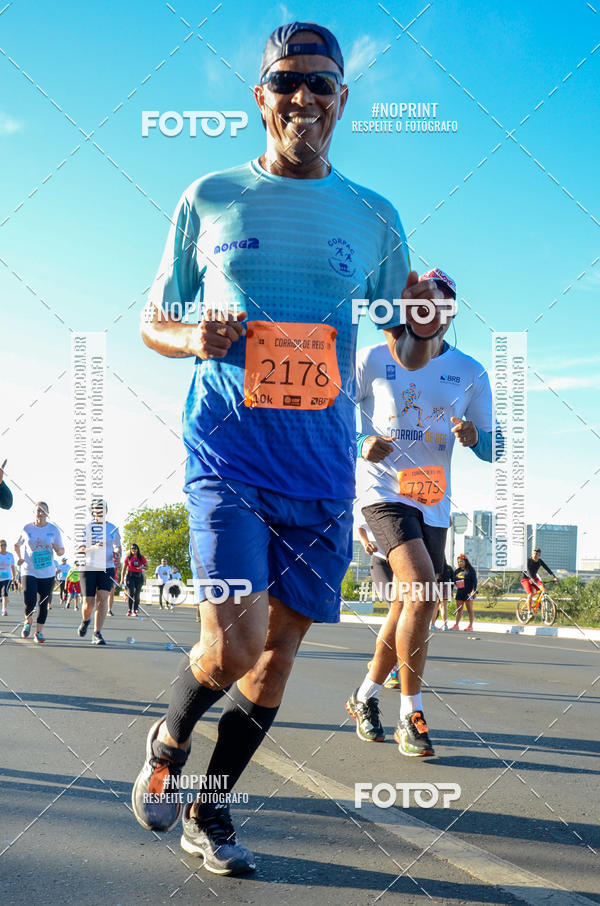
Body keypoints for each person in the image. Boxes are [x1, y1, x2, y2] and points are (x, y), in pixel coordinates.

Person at [130, 19, 441, 876]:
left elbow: (402, 347)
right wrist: (194, 338)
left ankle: (210, 813)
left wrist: (417, 331)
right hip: (226, 456)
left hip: (318, 465)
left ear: (343, 101)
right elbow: (153, 320)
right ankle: (170, 736)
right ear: (260, 96)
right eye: (286, 82)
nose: (303, 97)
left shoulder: (375, 216)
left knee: (275, 665)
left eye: (322, 85)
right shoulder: (211, 195)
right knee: (231, 646)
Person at [346, 268, 498, 756]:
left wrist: (475, 438)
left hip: (432, 501)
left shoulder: (471, 371)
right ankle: (410, 713)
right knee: (422, 590)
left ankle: (364, 695)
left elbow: (494, 449)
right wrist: (362, 441)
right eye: (424, 303)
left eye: (445, 306)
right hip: (382, 493)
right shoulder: (371, 357)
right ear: (410, 307)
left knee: (411, 606)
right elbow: (329, 416)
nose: (434, 312)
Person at [15, 501, 64, 643]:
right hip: (29, 570)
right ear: (34, 512)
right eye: (38, 510)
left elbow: (61, 551)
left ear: (48, 513)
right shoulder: (27, 528)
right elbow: (17, 544)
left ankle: (39, 632)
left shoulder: (53, 530)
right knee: (29, 600)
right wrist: (19, 558)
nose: (41, 513)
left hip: (47, 572)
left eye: (44, 511)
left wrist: (56, 549)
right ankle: (28, 620)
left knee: (43, 604)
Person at [357, 522, 399, 689]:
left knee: (404, 613)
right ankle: (391, 669)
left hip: (403, 562)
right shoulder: (385, 500)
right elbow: (361, 526)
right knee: (396, 609)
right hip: (381, 561)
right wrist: (365, 542)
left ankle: (378, 660)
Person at [77, 499, 121, 646]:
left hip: (107, 567)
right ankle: (85, 620)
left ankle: (97, 633)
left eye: (103, 509)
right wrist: (93, 548)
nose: (100, 512)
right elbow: (81, 549)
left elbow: (117, 547)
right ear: (93, 512)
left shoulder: (113, 528)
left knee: (102, 601)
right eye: (97, 509)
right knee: (88, 604)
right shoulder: (87, 527)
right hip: (89, 567)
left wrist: (117, 552)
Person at [521, 547, 558, 617]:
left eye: (536, 554)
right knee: (530, 594)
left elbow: (547, 569)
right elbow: (527, 570)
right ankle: (529, 612)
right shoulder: (528, 560)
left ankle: (539, 604)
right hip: (526, 579)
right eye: (534, 554)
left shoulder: (540, 561)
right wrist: (530, 578)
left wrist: (554, 577)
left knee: (543, 590)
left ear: (539, 555)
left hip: (534, 578)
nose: (534, 555)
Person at [450, 554, 478, 630]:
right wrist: (454, 587)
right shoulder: (457, 571)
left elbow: (474, 581)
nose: (460, 563)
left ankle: (470, 626)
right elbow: (453, 580)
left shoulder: (471, 570)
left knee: (469, 610)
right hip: (460, 592)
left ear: (465, 561)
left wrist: (474, 590)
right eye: (458, 562)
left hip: (468, 592)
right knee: (459, 609)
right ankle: (456, 625)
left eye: (461, 561)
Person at [121, 543, 147, 616]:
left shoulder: (141, 557)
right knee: (131, 592)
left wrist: (142, 567)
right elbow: (124, 569)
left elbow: (146, 566)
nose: (133, 550)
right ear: (130, 549)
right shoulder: (128, 557)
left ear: (137, 549)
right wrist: (122, 579)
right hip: (130, 576)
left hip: (139, 576)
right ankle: (129, 609)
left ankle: (135, 609)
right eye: (132, 548)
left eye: (135, 548)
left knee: (137, 594)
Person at [430, 560, 454, 630]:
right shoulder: (449, 568)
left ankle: (432, 625)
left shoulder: (436, 568)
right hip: (446, 587)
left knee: (435, 606)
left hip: (437, 586)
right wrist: (451, 589)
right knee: (444, 606)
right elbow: (453, 579)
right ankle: (445, 625)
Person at [0, 538, 16, 616]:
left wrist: (14, 576)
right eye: (1, 545)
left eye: (4, 545)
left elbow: (12, 566)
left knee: (4, 592)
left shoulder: (10, 555)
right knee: (1, 594)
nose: (3, 546)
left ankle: (4, 609)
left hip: (7, 577)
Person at [108, 543, 122, 616]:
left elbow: (119, 565)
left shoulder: (116, 555)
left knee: (111, 593)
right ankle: (101, 608)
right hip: (106, 575)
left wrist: (118, 562)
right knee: (103, 593)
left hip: (114, 576)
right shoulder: (106, 554)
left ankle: (109, 609)